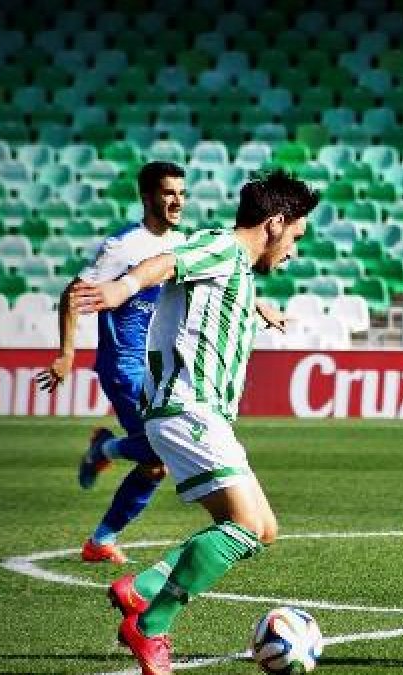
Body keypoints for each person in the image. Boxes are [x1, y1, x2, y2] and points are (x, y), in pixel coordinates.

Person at [70, 170, 318, 675]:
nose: (294, 251)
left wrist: (256, 307)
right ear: (274, 223)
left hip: (202, 414)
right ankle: (150, 625)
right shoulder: (222, 247)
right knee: (244, 528)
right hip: (188, 408)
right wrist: (120, 289)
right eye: (295, 236)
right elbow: (167, 262)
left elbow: (205, 283)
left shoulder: (235, 267)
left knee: (264, 529)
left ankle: (141, 588)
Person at [37, 161, 189, 565]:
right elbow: (74, 294)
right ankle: (103, 458)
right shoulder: (122, 247)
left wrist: (259, 307)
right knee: (160, 452)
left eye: (182, 193)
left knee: (156, 463)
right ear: (147, 197)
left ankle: (101, 535)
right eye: (169, 193)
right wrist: (66, 353)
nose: (178, 201)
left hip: (161, 368)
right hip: (124, 364)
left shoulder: (183, 244)